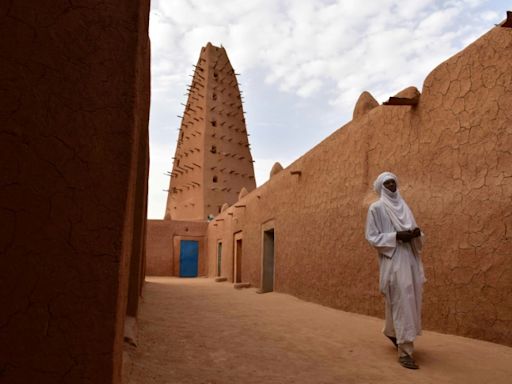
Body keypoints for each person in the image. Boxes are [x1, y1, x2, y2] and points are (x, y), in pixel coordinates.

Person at [365, 172, 426, 369]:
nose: (391, 185)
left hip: (410, 258)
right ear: (381, 187)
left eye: (393, 181)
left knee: (408, 299)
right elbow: (372, 237)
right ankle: (405, 352)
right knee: (402, 302)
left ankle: (393, 332)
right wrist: (397, 237)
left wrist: (416, 234)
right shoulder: (376, 208)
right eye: (387, 182)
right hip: (393, 260)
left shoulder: (404, 205)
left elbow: (414, 230)